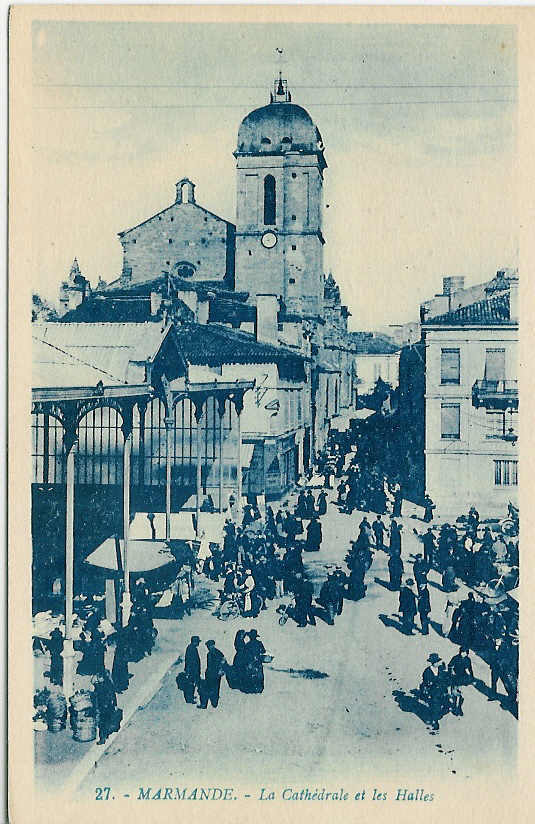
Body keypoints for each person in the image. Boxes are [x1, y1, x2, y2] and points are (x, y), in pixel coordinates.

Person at [93, 670, 120, 745]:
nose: (98, 679)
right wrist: (115, 705)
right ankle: (105, 735)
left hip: (104, 707)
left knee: (102, 723)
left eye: (99, 678)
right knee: (106, 722)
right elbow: (113, 696)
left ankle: (102, 738)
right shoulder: (109, 684)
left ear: (103, 678)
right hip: (108, 707)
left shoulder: (101, 686)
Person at [421, 653, 446, 730]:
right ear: (434, 663)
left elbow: (444, 679)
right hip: (432, 692)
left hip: (441, 691)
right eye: (438, 662)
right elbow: (425, 682)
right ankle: (435, 721)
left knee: (441, 704)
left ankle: (435, 717)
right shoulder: (427, 671)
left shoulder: (440, 669)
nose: (439, 663)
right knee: (435, 706)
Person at [199, 640, 226, 709]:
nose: (209, 647)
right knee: (214, 688)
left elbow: (223, 661)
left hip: (214, 674)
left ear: (213, 645)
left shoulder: (216, 653)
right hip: (212, 674)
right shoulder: (213, 653)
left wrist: (220, 670)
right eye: (208, 646)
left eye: (210, 646)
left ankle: (213, 703)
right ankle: (214, 703)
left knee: (213, 688)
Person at [242, 630, 266, 694]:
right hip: (258, 661)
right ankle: (259, 688)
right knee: (259, 674)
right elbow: (263, 651)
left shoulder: (247, 645)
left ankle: (251, 688)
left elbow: (245, 654)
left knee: (250, 674)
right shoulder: (259, 643)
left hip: (250, 662)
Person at [111, 626, 131, 694]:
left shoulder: (121, 637)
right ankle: (120, 686)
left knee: (120, 670)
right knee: (120, 670)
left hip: (120, 657)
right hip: (121, 657)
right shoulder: (123, 638)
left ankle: (121, 685)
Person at [183, 636, 201, 704]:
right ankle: (189, 699)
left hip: (192, 670)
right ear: (195, 642)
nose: (198, 643)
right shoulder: (192, 649)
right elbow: (190, 661)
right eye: (198, 642)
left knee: (192, 684)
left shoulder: (191, 648)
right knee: (190, 684)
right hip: (192, 670)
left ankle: (191, 696)